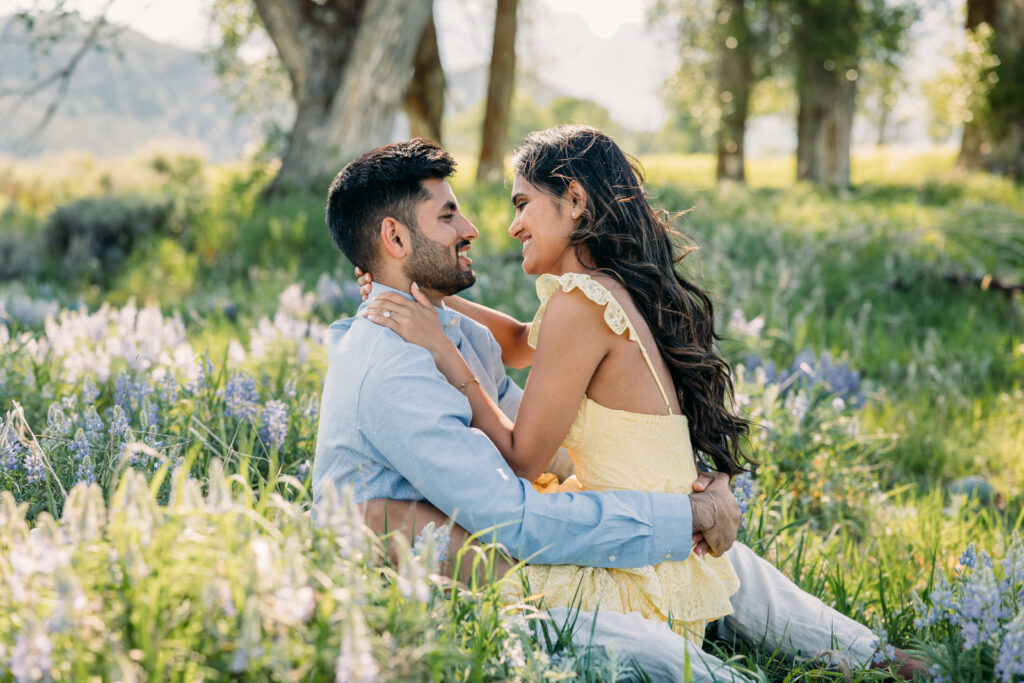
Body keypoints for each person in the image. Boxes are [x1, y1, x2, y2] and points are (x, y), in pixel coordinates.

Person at [315, 136, 926, 681]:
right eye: (449, 215)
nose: (479, 227)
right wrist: (680, 514)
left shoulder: (472, 332)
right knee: (588, 619)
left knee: (704, 555)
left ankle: (873, 656)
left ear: (575, 202)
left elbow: (546, 443)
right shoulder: (395, 368)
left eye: (518, 205)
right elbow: (518, 507)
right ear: (396, 238)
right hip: (462, 565)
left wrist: (679, 499)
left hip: (495, 539)